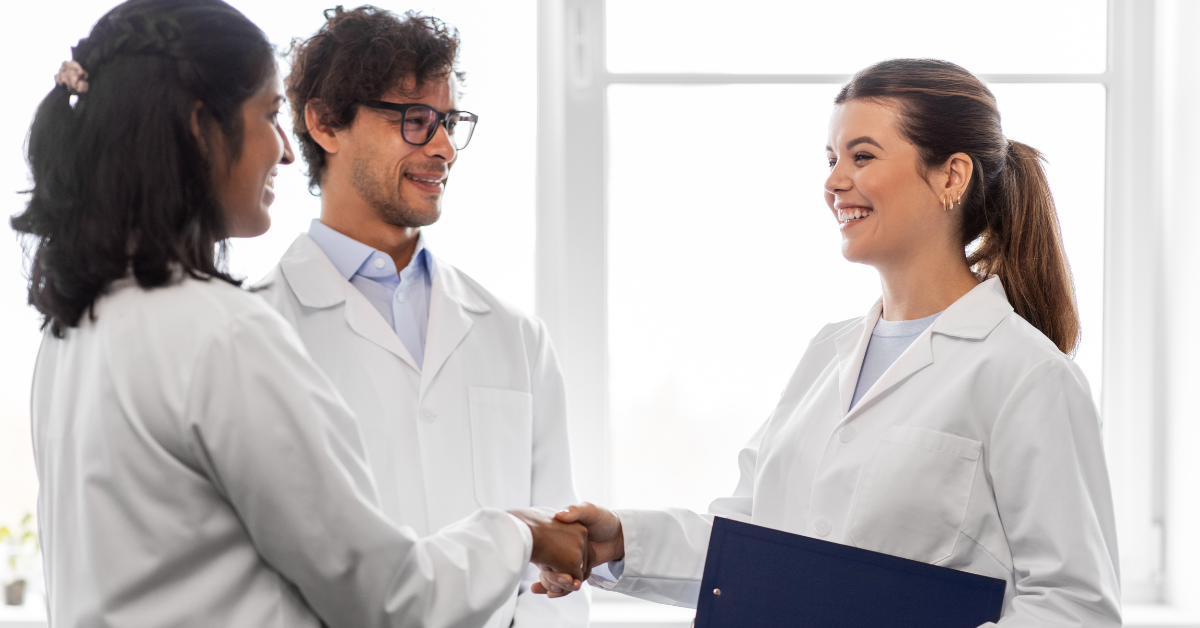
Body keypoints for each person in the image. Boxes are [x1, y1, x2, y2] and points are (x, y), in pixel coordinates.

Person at [13, 1, 587, 626]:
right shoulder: (229, 332)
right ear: (202, 129)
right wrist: (520, 533)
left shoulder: (70, 330)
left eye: (448, 121)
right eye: (267, 116)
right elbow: (389, 596)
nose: (283, 150)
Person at [536, 59, 1121, 626]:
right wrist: (620, 541)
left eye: (862, 156)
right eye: (832, 158)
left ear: (952, 176)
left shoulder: (1029, 375)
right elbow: (754, 550)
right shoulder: (827, 353)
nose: (834, 181)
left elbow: (1074, 607)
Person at [253, 7, 589, 628]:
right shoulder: (254, 332)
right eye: (414, 120)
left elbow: (561, 569)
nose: (443, 148)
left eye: (450, 122)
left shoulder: (515, 337)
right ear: (325, 123)